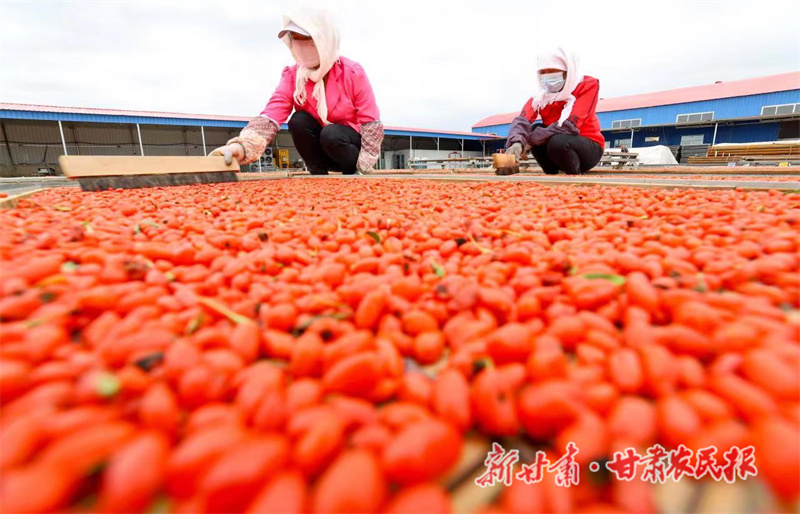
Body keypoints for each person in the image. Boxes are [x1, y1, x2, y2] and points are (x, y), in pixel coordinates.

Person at [210, 10, 383, 175]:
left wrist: (364, 166)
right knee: (298, 120)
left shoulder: (351, 72)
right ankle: (318, 173)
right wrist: (241, 147)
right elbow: (271, 115)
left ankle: (349, 173)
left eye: (307, 38)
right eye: (296, 38)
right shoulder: (293, 76)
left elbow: (370, 122)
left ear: (324, 39)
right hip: (322, 152)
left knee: (331, 134)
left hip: (349, 152)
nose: (302, 46)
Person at [502, 48, 604, 175]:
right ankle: (551, 174)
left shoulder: (587, 86)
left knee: (557, 141)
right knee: (534, 128)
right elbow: (522, 120)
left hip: (587, 148)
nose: (548, 76)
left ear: (568, 71)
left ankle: (573, 176)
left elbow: (569, 126)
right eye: (543, 72)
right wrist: (517, 142)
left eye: (553, 71)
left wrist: (529, 141)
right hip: (557, 147)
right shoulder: (541, 98)